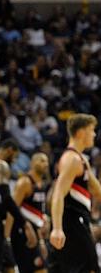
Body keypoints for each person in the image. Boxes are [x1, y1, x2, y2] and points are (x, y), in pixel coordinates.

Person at [49, 114, 101, 273]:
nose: (94, 134)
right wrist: (57, 228)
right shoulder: (72, 159)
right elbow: (57, 193)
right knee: (88, 267)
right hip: (71, 221)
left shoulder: (81, 159)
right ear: (80, 133)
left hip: (80, 219)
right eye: (91, 130)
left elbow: (97, 191)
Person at [0, 139, 37, 273]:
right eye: (14, 157)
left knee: (3, 264)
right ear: (9, 150)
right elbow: (6, 198)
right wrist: (24, 223)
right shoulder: (1, 166)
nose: (14, 161)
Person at [6, 152, 49, 273]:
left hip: (37, 232)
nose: (45, 164)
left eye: (46, 161)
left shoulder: (42, 184)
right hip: (23, 233)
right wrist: (7, 238)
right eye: (41, 160)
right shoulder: (25, 182)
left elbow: (39, 210)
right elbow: (12, 210)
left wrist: (45, 220)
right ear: (32, 163)